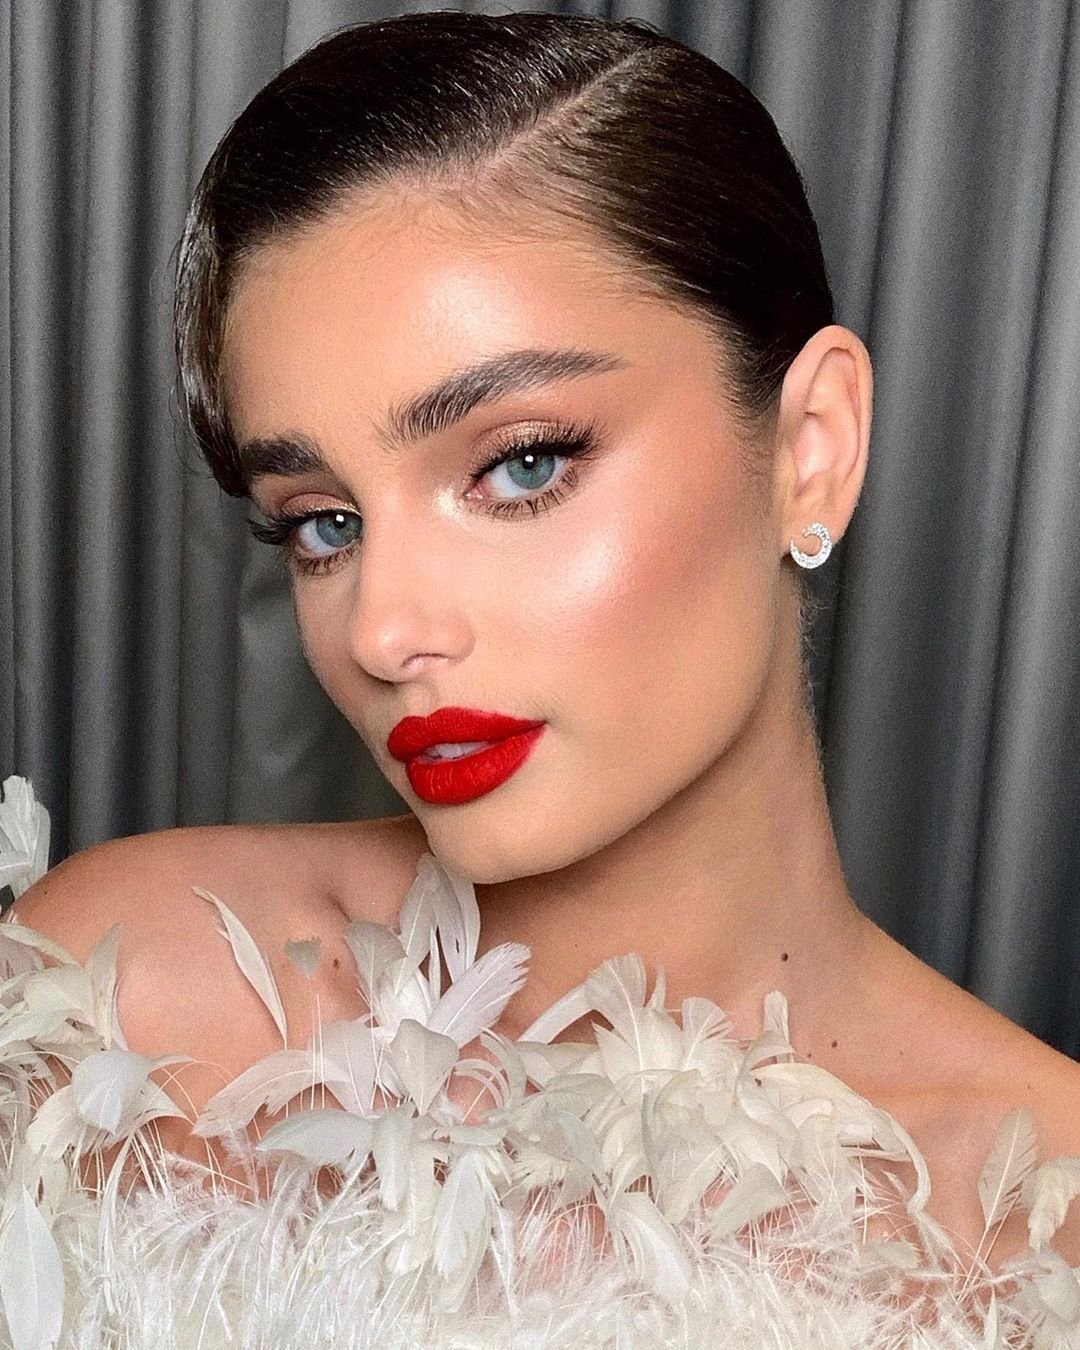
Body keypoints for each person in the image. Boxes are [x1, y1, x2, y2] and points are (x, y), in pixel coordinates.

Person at [7, 8, 1079, 1338]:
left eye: (521, 465)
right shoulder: (134, 1004)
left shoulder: (1040, 1238)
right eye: (322, 522)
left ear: (811, 447)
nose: (384, 629)